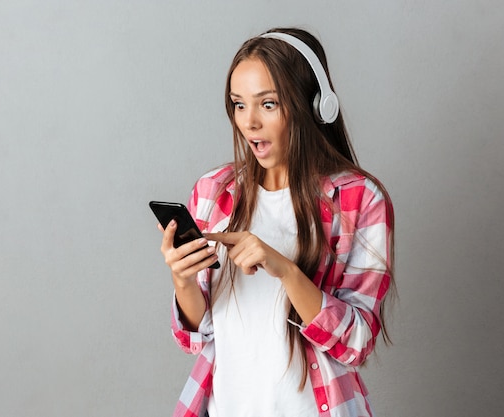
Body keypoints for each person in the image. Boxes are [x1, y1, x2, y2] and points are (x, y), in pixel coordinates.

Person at [157, 27, 395, 417]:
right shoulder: (212, 192)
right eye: (238, 104)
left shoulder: (359, 199)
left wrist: (285, 269)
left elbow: (357, 342)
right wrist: (182, 280)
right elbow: (196, 338)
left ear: (315, 107)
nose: (249, 122)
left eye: (268, 104)